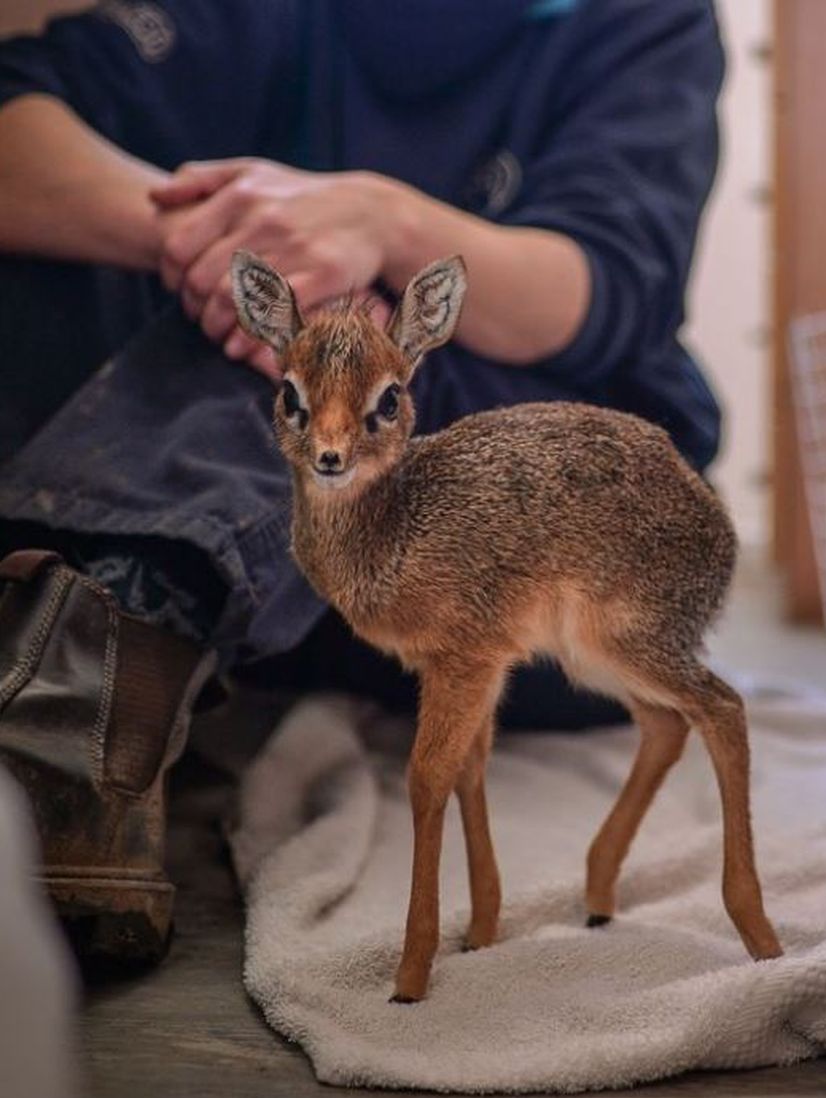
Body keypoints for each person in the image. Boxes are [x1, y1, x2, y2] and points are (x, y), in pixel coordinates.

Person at [0, 0, 726, 956]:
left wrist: (383, 222)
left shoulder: (641, 19)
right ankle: (81, 652)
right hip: (299, 560)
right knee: (193, 312)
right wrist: (235, 247)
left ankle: (105, 666)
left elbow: (605, 286)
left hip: (532, 570)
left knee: (341, 363)